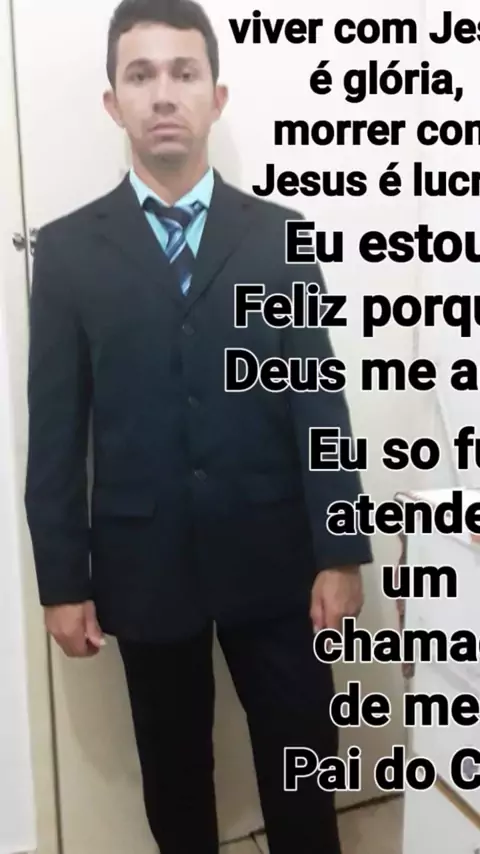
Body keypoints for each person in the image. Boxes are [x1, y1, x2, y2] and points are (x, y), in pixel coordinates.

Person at [25, 1, 373, 852]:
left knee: (302, 760)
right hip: (144, 567)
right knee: (175, 775)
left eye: (183, 72)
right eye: (140, 75)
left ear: (216, 96)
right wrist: (62, 580)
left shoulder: (279, 238)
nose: (163, 94)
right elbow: (57, 430)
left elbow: (319, 405)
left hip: (276, 560)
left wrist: (340, 551)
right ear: (113, 102)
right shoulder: (67, 253)